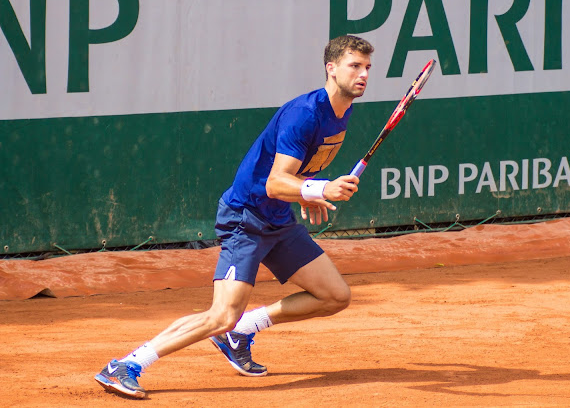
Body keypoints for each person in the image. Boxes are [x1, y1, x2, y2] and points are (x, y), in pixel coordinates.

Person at [94, 34, 374, 399]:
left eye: (367, 67)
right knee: (222, 314)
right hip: (247, 218)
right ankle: (126, 364)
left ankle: (243, 331)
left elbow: (290, 175)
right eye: (354, 66)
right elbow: (275, 183)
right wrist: (321, 189)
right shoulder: (305, 114)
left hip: (277, 218)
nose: (363, 74)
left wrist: (308, 189)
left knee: (335, 295)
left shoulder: (342, 111)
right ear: (331, 68)